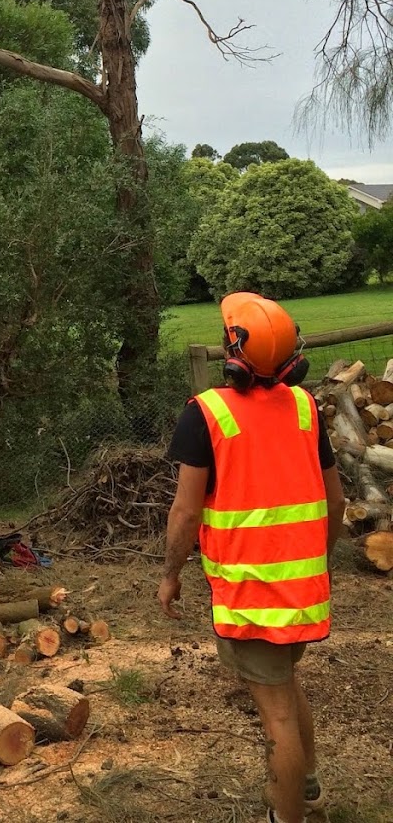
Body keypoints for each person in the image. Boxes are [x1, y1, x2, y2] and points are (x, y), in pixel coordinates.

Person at [158, 292, 344, 823]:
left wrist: (170, 574)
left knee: (277, 715)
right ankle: (306, 787)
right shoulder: (306, 407)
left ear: (234, 351)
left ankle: (287, 815)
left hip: (250, 595)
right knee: (285, 686)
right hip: (304, 592)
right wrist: (317, 562)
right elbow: (336, 501)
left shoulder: (207, 414)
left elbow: (186, 514)